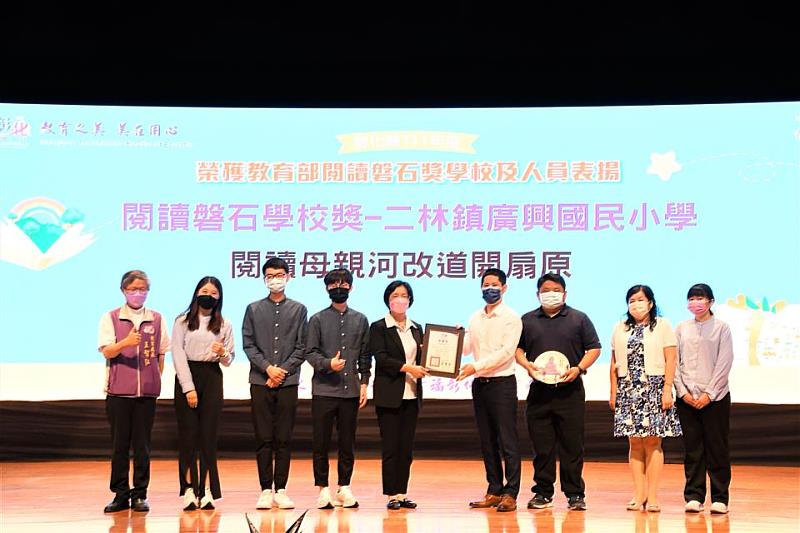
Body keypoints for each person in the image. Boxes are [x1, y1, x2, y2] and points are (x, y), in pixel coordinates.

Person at [516, 273, 601, 511]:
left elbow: (594, 348)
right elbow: (518, 349)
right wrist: (526, 365)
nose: (550, 294)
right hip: (539, 392)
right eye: (545, 290)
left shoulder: (578, 318)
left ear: (564, 293)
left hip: (570, 392)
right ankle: (543, 493)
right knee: (542, 447)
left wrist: (579, 368)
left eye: (555, 290)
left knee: (572, 446)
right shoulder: (527, 320)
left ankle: (575, 494)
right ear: (538, 294)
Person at [98, 270, 170, 513]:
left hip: (146, 395)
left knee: (142, 446)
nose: (138, 294)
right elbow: (107, 351)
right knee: (119, 446)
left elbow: (161, 353)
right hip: (118, 393)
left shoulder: (156, 318)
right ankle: (120, 494)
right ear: (123, 291)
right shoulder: (111, 317)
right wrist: (125, 343)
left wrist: (154, 378)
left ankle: (140, 494)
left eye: (142, 289)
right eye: (133, 289)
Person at [242, 257, 308, 509]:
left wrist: (282, 371)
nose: (275, 280)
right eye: (270, 276)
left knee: (283, 437)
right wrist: (268, 368)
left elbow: (302, 347)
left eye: (280, 275)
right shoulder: (253, 309)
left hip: (288, 382)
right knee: (263, 437)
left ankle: (281, 489)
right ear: (264, 279)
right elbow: (249, 344)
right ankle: (264, 489)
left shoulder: (299, 310)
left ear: (288, 277)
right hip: (260, 380)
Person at [610, 284, 681, 513]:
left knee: (652, 442)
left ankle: (652, 496)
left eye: (640, 300)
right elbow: (614, 362)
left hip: (654, 388)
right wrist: (613, 391)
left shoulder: (663, 325)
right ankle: (638, 494)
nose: (636, 304)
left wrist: (667, 389)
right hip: (628, 389)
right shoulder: (620, 327)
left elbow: (671, 359)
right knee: (634, 442)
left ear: (650, 303)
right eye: (632, 301)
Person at [456, 268, 523, 513]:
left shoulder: (511, 317)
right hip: (480, 384)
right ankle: (494, 489)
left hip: (502, 384)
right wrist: (454, 338)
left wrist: (475, 367)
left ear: (504, 288)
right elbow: (466, 349)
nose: (490, 288)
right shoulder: (475, 317)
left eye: (495, 284)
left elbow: (506, 352)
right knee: (487, 440)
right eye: (486, 284)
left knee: (507, 440)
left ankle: (511, 492)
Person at [305, 268, 371, 509]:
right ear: (327, 289)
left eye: (343, 284)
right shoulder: (317, 319)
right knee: (320, 442)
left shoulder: (361, 320)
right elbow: (310, 352)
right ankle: (322, 489)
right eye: (333, 285)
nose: (338, 288)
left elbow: (365, 355)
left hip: (350, 391)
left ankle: (344, 487)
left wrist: (364, 382)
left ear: (351, 288)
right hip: (324, 390)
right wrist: (327, 364)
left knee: (347, 442)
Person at [172, 276, 235, 511]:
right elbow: (177, 354)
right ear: (197, 293)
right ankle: (189, 489)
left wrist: (223, 353)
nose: (209, 295)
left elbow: (229, 359)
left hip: (212, 377)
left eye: (214, 293)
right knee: (188, 437)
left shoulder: (224, 323)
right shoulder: (182, 321)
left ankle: (207, 489)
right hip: (187, 376)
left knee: (208, 436)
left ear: (219, 297)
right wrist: (188, 388)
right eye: (204, 291)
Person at [674, 283, 733, 515]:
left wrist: (709, 394)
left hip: (715, 399)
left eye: (700, 298)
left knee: (717, 448)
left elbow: (724, 362)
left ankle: (720, 498)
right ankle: (694, 496)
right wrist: (683, 392)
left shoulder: (722, 328)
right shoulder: (681, 328)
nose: (696, 303)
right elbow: (674, 362)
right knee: (693, 449)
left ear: (711, 302)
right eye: (692, 299)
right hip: (687, 398)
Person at [369, 280, 428, 510]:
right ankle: (391, 495)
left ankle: (402, 493)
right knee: (391, 448)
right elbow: (381, 358)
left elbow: (425, 357)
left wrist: (452, 340)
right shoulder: (379, 327)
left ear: (410, 300)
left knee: (406, 449)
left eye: (404, 295)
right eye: (395, 295)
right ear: (388, 299)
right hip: (389, 396)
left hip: (412, 395)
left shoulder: (417, 328)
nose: (400, 299)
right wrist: (408, 368)